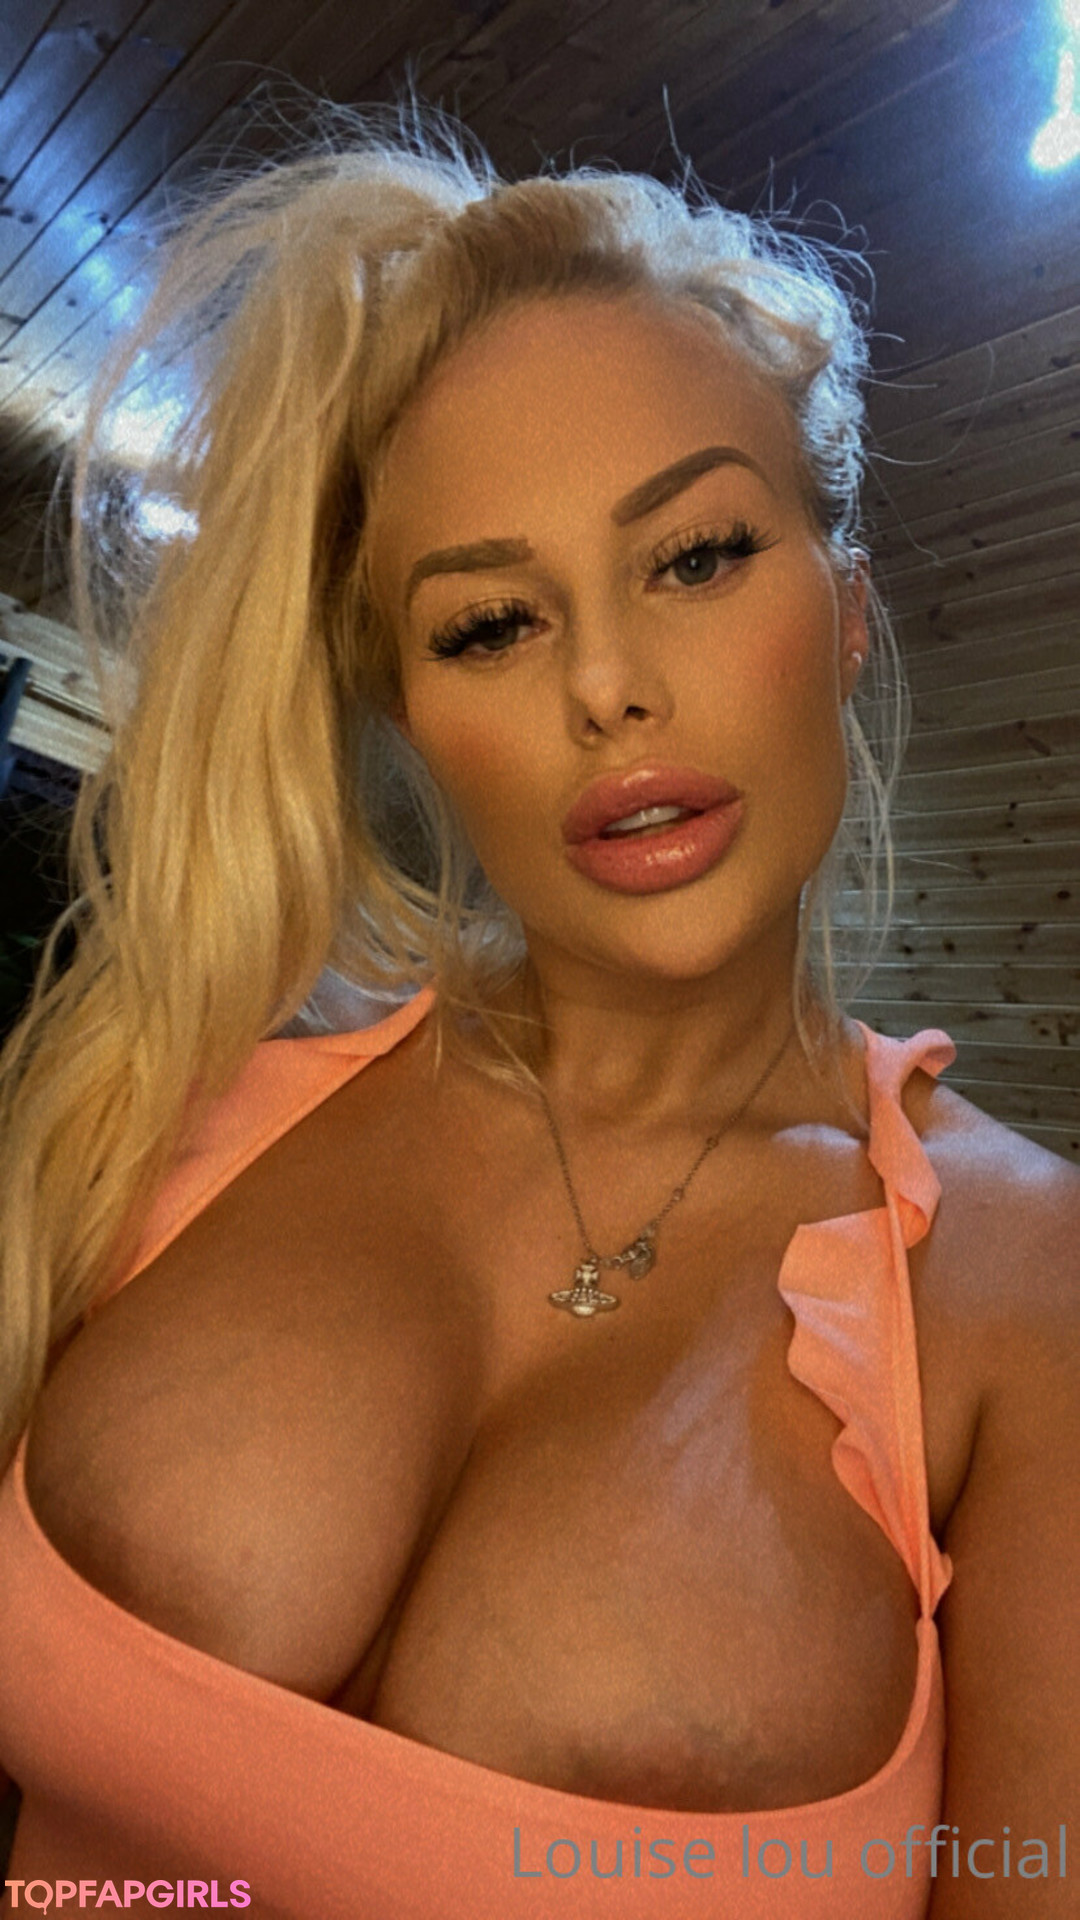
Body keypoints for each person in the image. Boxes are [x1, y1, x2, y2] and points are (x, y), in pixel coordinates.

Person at [0, 107, 1075, 1920]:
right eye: (491, 624)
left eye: (698, 555)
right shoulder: (173, 1109)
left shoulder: (1030, 1296)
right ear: (412, 710)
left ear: (846, 615)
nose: (606, 685)